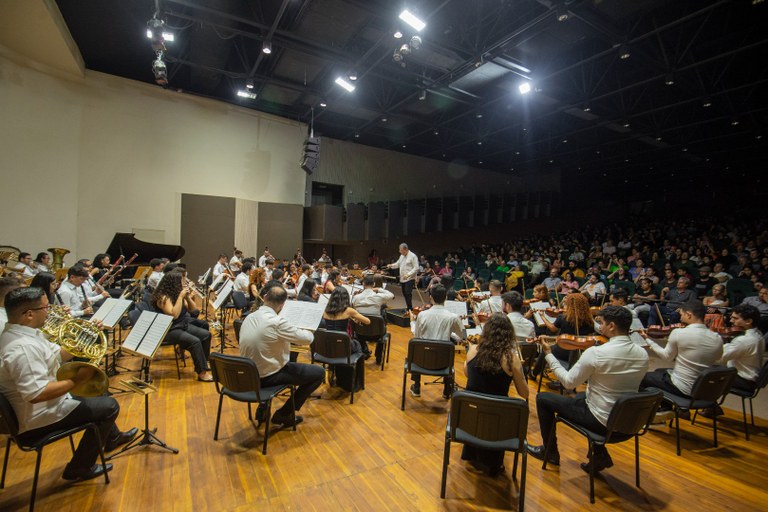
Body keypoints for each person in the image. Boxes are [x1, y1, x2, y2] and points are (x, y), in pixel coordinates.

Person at [0, 287, 137, 481]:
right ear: (29, 314)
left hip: (44, 405)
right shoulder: (22, 348)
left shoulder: (26, 334)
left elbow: (57, 356)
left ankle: (111, 438)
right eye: (46, 307)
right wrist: (77, 380)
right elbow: (37, 394)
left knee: (100, 394)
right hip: (37, 419)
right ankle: (80, 468)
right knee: (110, 406)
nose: (51, 311)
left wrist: (86, 336)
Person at [527, 306, 649, 473]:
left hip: (602, 422)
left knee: (543, 398)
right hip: (630, 422)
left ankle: (550, 453)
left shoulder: (597, 353)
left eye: (602, 324)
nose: (599, 328)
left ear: (612, 326)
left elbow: (568, 383)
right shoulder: (642, 354)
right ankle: (599, 455)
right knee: (581, 397)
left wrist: (548, 354)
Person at [239, 286, 324, 426]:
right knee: (319, 373)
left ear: (265, 297)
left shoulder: (249, 316)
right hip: (267, 377)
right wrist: (307, 328)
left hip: (248, 375)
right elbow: (307, 339)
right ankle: (284, 414)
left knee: (270, 355)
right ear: (282, 305)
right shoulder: (277, 322)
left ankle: (264, 406)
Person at [461, 313, 529, 476]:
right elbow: (524, 393)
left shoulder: (472, 351)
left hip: (470, 418)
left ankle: (472, 453)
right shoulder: (511, 359)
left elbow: (468, 374)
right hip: (497, 421)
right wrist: (517, 373)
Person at [640, 300, 723, 419]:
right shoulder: (717, 337)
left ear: (689, 315)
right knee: (659, 371)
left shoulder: (679, 333)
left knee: (644, 377)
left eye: (682, 314)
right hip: (705, 389)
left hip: (684, 388)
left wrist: (648, 340)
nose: (680, 317)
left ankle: (657, 414)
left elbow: (666, 357)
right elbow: (717, 359)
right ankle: (668, 409)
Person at [701, 303, 764, 418]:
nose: (731, 321)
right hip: (750, 377)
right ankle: (711, 407)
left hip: (743, 379)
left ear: (748, 321)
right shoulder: (758, 334)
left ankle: (707, 406)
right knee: (710, 370)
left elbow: (720, 357)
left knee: (702, 373)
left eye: (735, 318)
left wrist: (714, 341)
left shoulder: (745, 341)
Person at [152, 270, 213, 382]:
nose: (185, 282)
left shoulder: (175, 294)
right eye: (182, 280)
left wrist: (188, 297)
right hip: (169, 330)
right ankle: (201, 373)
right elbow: (174, 315)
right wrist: (180, 297)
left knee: (206, 335)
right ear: (174, 282)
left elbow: (193, 310)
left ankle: (204, 362)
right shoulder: (163, 298)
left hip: (181, 325)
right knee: (195, 341)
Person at [409, 284, 464, 399]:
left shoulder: (422, 315)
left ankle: (417, 386)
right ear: (445, 298)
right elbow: (462, 337)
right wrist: (451, 334)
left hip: (421, 361)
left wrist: (412, 322)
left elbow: (417, 336)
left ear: (431, 298)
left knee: (417, 347)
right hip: (443, 363)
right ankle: (447, 390)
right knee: (448, 349)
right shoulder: (453, 317)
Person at [387, 243, 419, 311]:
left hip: (410, 278)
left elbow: (416, 268)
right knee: (404, 293)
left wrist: (408, 274)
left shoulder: (413, 256)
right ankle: (408, 307)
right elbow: (398, 264)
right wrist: (391, 265)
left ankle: (410, 308)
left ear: (406, 249)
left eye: (401, 250)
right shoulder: (401, 256)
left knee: (408, 293)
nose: (400, 251)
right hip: (402, 278)